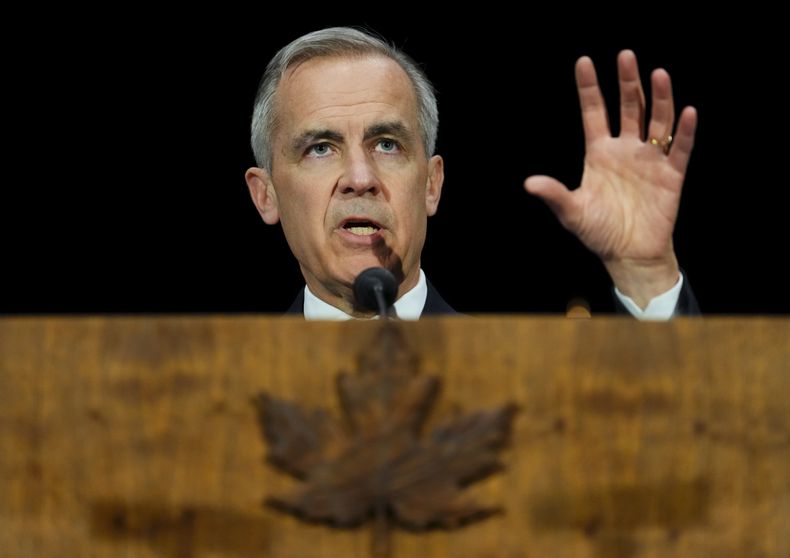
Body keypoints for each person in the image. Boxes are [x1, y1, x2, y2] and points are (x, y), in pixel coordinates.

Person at [244, 27, 699, 320]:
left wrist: (646, 276)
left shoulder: (524, 373)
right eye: (320, 149)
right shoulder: (217, 390)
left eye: (387, 144)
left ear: (431, 184)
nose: (360, 177)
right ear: (266, 195)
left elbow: (679, 455)